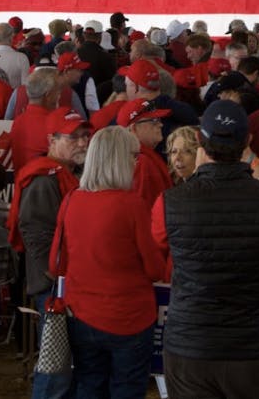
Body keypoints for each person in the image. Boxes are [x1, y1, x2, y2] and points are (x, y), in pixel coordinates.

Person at [152, 100, 259, 398]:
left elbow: (158, 241)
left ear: (201, 144)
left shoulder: (169, 202)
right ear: (247, 142)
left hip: (190, 344)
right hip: (247, 348)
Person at [50, 127, 165, 399]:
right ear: (119, 159)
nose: (137, 162)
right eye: (134, 156)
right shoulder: (132, 205)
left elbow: (56, 264)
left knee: (89, 385)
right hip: (129, 318)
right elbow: (155, 269)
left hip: (81, 314)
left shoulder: (71, 199)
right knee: (126, 388)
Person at [9, 107, 89, 399]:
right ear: (51, 140)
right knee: (55, 366)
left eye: (85, 136)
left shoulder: (67, 174)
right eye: (73, 137)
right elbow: (34, 231)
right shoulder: (45, 178)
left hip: (68, 282)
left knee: (64, 362)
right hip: (55, 286)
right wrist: (52, 275)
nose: (82, 143)